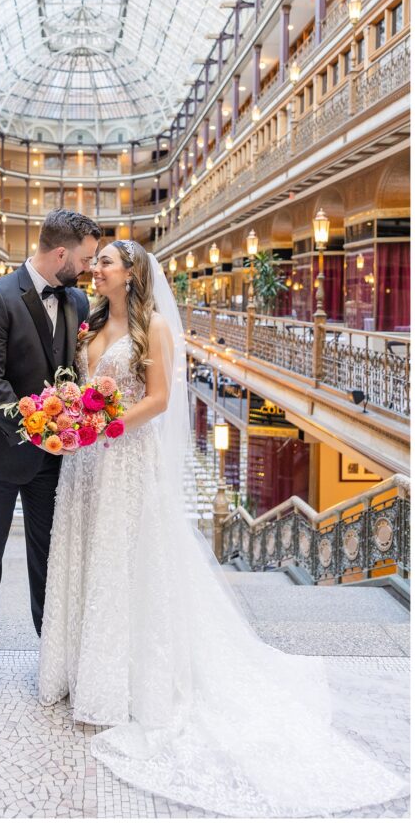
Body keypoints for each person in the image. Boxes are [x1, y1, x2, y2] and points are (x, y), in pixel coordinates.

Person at [39, 239, 409, 817]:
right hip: (86, 466)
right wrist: (70, 416)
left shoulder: (155, 327)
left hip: (124, 459)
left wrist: (102, 425)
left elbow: (160, 400)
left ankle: (128, 683)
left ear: (130, 275)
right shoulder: (88, 325)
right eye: (98, 261)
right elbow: (81, 388)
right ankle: (84, 672)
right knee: (90, 557)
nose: (96, 267)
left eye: (107, 261)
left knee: (124, 563)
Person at [0, 209, 100, 709]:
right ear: (60, 253)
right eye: (83, 259)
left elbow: (79, 370)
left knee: (49, 559)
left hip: (53, 462)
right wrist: (35, 430)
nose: (86, 269)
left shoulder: (78, 298)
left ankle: (52, 654)